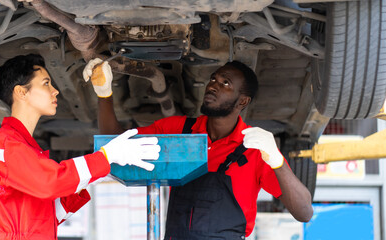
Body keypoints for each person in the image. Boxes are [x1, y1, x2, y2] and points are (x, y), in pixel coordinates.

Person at [83, 59, 313, 239]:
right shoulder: (179, 131)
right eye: (213, 79)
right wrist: (104, 94)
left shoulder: (255, 149)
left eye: (225, 83)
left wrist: (276, 160)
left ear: (242, 101)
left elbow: (304, 212)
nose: (213, 86)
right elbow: (115, 146)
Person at [0, 54, 160, 240]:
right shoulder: (8, 143)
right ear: (21, 92)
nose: (55, 91)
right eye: (46, 83)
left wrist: (99, 173)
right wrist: (104, 158)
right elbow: (51, 183)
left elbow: (46, 216)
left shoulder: (20, 144)